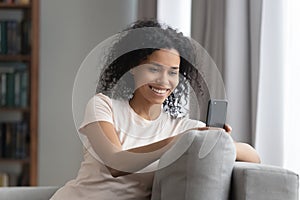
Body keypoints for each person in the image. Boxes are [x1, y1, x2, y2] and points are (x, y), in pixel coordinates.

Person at [50, 19, 260, 200]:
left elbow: (253, 157)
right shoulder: (103, 106)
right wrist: (179, 140)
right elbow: (116, 163)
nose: (164, 81)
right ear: (132, 67)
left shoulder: (185, 128)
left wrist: (218, 138)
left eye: (173, 72)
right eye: (154, 69)